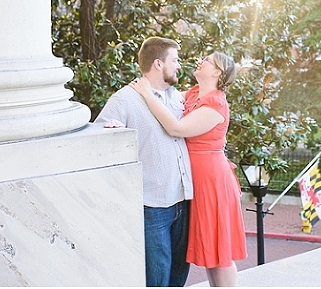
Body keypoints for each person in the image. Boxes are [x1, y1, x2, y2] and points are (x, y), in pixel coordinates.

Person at [130, 52, 245, 287]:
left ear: (217, 72)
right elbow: (162, 106)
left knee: (219, 255)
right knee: (212, 254)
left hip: (212, 182)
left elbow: (175, 128)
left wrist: (145, 93)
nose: (200, 61)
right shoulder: (193, 94)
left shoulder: (215, 103)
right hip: (197, 181)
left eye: (207, 60)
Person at [94, 37, 193, 287]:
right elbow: (98, 139)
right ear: (159, 64)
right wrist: (110, 132)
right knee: (157, 279)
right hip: (153, 205)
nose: (179, 66)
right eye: (175, 60)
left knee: (178, 276)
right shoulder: (124, 99)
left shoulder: (178, 98)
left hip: (184, 200)